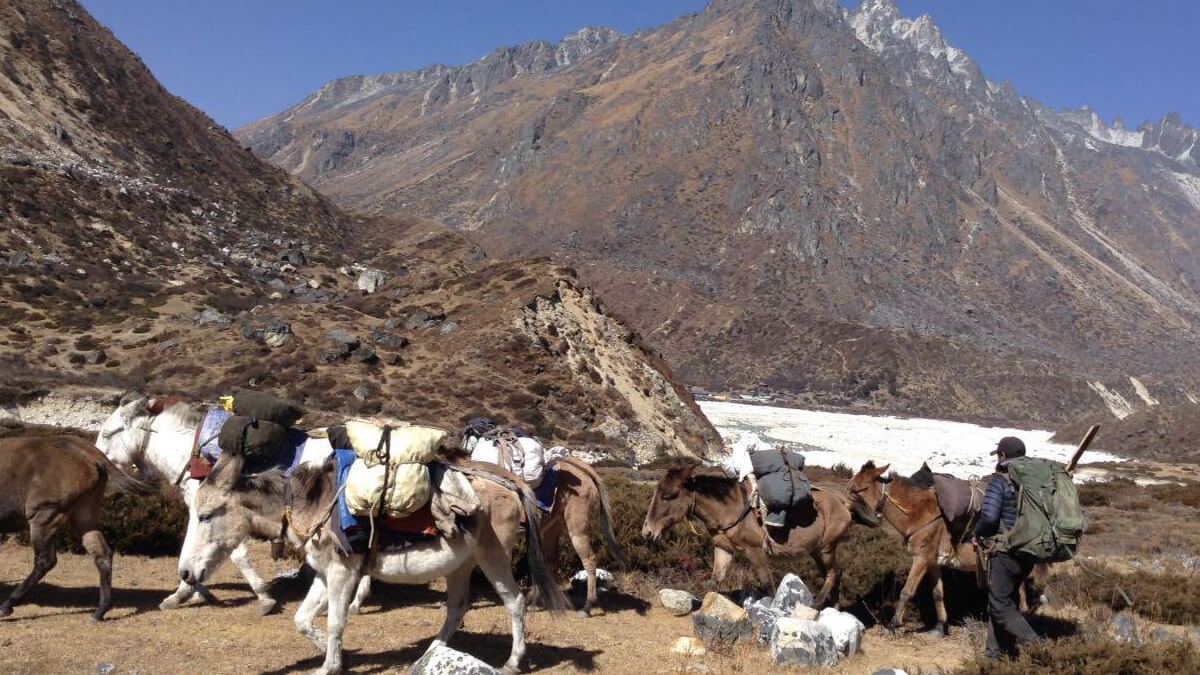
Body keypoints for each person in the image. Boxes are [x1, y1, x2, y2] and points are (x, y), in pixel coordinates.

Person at [973, 436, 1043, 660]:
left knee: (1000, 605)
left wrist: (978, 532)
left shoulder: (1000, 481)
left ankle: (1040, 649)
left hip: (1005, 552)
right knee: (1004, 599)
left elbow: (990, 517)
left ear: (1002, 456)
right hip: (1028, 552)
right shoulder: (1034, 481)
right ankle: (993, 655)